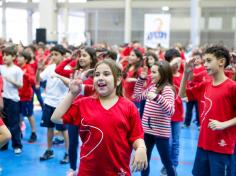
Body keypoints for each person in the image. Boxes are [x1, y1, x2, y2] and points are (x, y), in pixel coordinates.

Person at [51, 59, 147, 176]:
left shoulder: (129, 107)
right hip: (88, 171)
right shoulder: (84, 104)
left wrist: (141, 147)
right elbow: (56, 118)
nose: (100, 78)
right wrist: (72, 93)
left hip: (118, 171)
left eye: (106, 74)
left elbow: (136, 136)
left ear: (117, 80)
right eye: (97, 75)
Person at [179, 45, 236, 176]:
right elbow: (182, 96)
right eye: (204, 61)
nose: (205, 64)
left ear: (221, 62)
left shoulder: (232, 87)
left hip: (222, 147)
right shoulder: (205, 85)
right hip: (203, 145)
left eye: (209, 61)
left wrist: (224, 124)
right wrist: (186, 73)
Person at [55, 46, 97, 175]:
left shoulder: (95, 75)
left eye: (85, 55)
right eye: (80, 56)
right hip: (74, 112)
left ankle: (89, 168)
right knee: (72, 142)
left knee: (89, 143)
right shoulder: (74, 72)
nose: (81, 58)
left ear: (91, 58)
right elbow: (58, 70)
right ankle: (73, 168)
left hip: (89, 114)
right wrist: (69, 58)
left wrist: (79, 81)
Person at [133, 60, 177, 176]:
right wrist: (141, 80)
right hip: (146, 131)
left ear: (162, 73)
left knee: (166, 161)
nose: (150, 75)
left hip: (160, 133)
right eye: (150, 72)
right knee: (144, 159)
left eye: (154, 72)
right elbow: (137, 96)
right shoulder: (152, 87)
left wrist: (158, 98)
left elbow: (171, 111)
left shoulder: (167, 89)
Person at [38, 45, 69, 164]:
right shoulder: (50, 67)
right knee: (49, 128)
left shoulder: (67, 68)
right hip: (49, 102)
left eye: (56, 54)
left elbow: (69, 86)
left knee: (64, 130)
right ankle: (49, 150)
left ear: (62, 56)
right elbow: (39, 80)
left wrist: (59, 75)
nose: (54, 57)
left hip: (61, 104)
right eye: (53, 54)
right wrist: (38, 69)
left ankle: (68, 153)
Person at [0, 46, 23, 154]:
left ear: (13, 57)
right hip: (2, 99)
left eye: (7, 55)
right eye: (3, 55)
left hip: (13, 99)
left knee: (14, 124)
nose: (4, 57)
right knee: (4, 123)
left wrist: (11, 80)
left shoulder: (17, 70)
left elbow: (20, 85)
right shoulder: (1, 68)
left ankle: (17, 145)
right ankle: (4, 144)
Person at [17, 50, 37, 143]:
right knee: (19, 115)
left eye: (20, 57)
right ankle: (19, 131)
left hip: (26, 97)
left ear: (25, 59)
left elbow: (33, 81)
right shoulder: (17, 67)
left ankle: (33, 133)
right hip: (17, 96)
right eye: (18, 56)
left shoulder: (28, 68)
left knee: (29, 114)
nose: (18, 58)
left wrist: (25, 74)